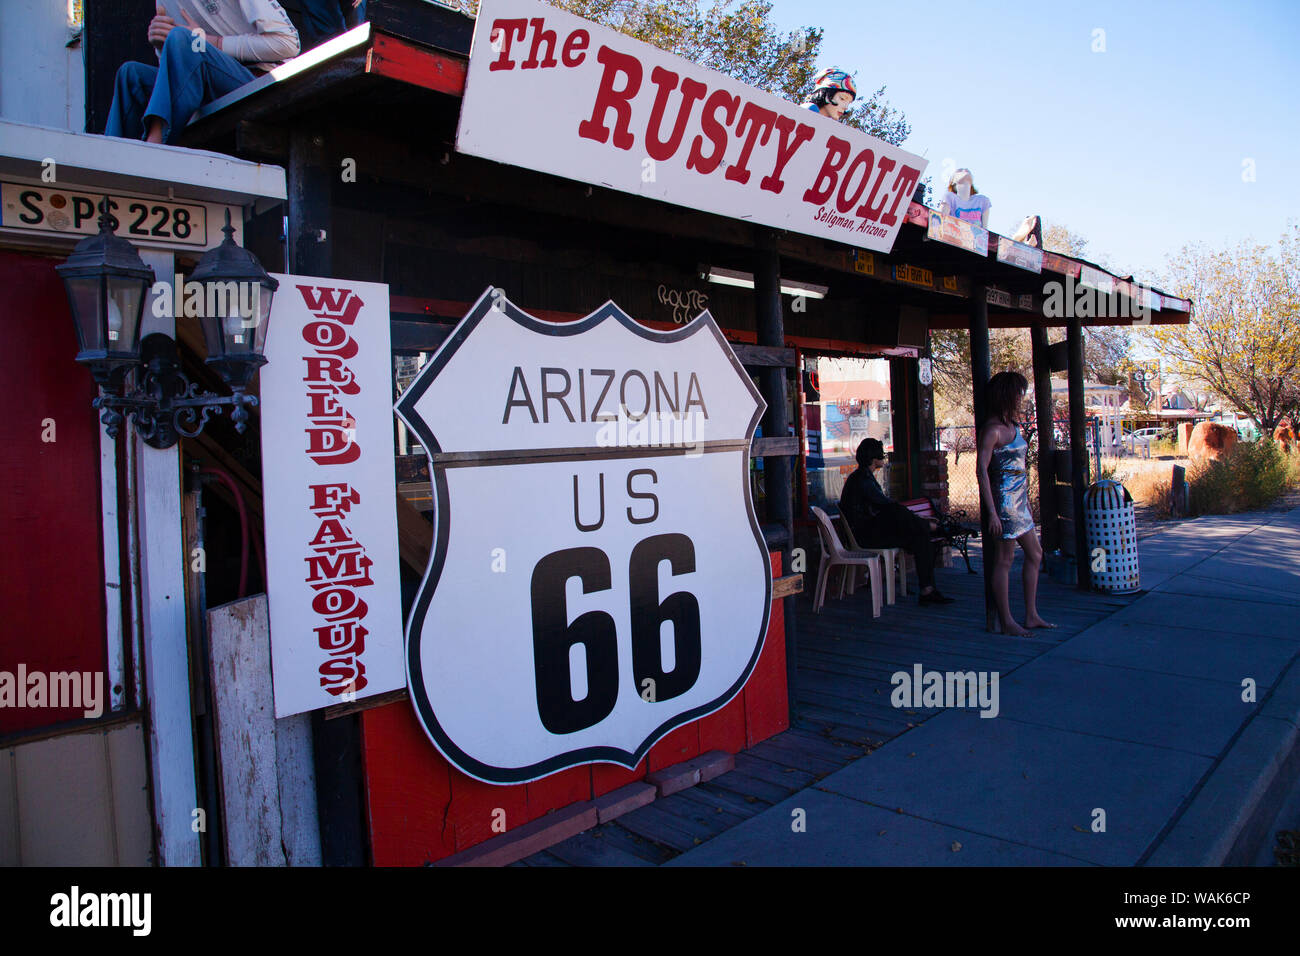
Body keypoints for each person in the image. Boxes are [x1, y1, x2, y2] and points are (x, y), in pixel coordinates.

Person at [105, 1, 300, 146]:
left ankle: (153, 145)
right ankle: (108, 167)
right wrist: (161, 45)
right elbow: (178, 67)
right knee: (131, 76)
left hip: (258, 82)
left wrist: (209, 41)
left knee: (184, 38)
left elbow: (288, 43)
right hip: (205, 84)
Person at [976, 371, 1055, 636]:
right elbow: (981, 471)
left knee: (1036, 554)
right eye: (1018, 394)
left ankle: (1031, 614)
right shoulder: (992, 430)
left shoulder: (1014, 426)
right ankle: (1007, 620)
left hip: (1020, 502)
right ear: (1007, 396)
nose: (1021, 399)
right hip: (1004, 503)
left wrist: (1028, 503)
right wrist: (992, 513)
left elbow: (1020, 467)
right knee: (1005, 559)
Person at [839, 438, 954, 606]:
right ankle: (931, 529)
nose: (884, 457)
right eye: (881, 454)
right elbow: (887, 506)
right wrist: (917, 521)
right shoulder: (862, 480)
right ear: (873, 457)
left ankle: (927, 590)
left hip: (868, 531)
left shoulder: (863, 477)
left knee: (920, 537)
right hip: (863, 537)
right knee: (905, 519)